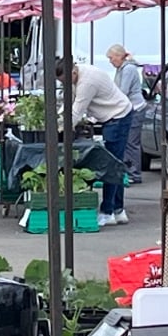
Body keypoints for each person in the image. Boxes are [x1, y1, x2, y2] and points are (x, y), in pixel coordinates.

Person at [55, 59, 133, 227]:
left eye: (65, 80)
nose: (65, 84)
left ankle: (107, 212)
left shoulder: (87, 82)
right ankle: (118, 210)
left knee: (110, 165)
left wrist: (60, 128)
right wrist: (59, 116)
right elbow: (70, 102)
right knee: (116, 163)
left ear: (73, 72)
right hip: (116, 116)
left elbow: (77, 111)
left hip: (117, 117)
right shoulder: (80, 73)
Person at [107, 44, 145, 185]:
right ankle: (129, 171)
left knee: (131, 142)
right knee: (129, 141)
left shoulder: (128, 69)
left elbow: (123, 91)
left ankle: (134, 173)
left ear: (118, 56)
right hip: (130, 108)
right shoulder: (123, 68)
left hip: (135, 108)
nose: (110, 61)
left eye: (111, 58)